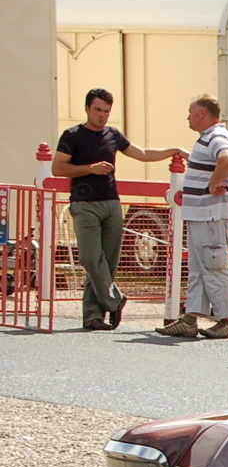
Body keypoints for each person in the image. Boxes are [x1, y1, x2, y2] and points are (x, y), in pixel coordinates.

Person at [52, 88, 185, 330]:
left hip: (112, 203)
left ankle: (93, 316)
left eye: (106, 111)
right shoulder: (72, 135)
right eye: (98, 110)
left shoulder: (113, 134)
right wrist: (90, 168)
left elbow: (142, 154)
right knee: (91, 258)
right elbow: (58, 168)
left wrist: (173, 150)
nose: (102, 115)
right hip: (84, 204)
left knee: (108, 262)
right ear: (87, 109)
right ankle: (115, 300)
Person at [158, 95, 228, 339]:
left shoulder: (217, 136)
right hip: (202, 215)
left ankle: (226, 321)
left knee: (214, 266)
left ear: (202, 114)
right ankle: (190, 318)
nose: (188, 117)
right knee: (199, 267)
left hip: (211, 215)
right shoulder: (208, 138)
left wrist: (214, 182)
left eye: (191, 112)